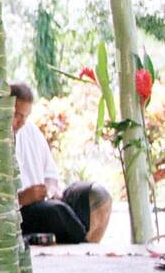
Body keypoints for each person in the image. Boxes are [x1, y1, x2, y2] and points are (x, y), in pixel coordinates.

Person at [12, 82, 111, 243]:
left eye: (26, 116)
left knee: (97, 194)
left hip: (46, 201)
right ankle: (84, 243)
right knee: (56, 211)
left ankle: (85, 239)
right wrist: (21, 198)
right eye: (16, 115)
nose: (21, 123)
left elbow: (51, 175)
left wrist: (49, 191)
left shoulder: (30, 130)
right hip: (19, 212)